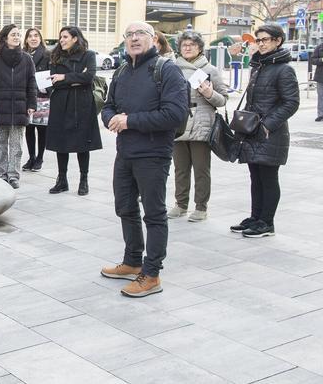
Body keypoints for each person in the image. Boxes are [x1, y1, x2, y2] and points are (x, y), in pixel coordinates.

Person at [100, 21, 188, 298]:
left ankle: (151, 274)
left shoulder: (167, 70)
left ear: (154, 39)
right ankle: (132, 260)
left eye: (141, 34)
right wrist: (111, 119)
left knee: (154, 214)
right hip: (125, 151)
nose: (134, 38)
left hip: (153, 153)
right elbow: (108, 105)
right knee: (125, 207)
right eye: (129, 34)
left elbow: (176, 116)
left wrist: (129, 121)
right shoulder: (123, 70)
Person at [230, 24, 299, 238]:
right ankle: (256, 217)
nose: (260, 43)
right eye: (257, 40)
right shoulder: (260, 65)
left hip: (271, 132)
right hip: (253, 130)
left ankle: (267, 222)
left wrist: (268, 124)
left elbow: (291, 102)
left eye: (265, 40)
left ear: (278, 41)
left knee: (268, 177)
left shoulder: (284, 69)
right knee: (255, 176)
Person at [167, 32, 229, 222]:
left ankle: (201, 207)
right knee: (180, 168)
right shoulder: (172, 68)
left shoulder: (210, 69)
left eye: (192, 45)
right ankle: (180, 204)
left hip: (202, 124)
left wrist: (210, 93)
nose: (187, 48)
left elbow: (223, 100)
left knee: (201, 169)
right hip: (178, 123)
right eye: (184, 45)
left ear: (200, 48)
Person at [45, 26, 102, 195]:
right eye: (60, 37)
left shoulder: (88, 55)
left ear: (75, 38)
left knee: (82, 144)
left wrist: (65, 77)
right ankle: (62, 180)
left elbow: (89, 77)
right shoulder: (55, 55)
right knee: (60, 143)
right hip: (61, 103)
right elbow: (53, 81)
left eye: (65, 37)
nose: (61, 40)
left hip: (82, 104)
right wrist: (75, 79)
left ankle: (83, 180)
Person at [0, 24, 37, 188]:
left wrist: (32, 104)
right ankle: (2, 174)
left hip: (20, 107)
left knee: (17, 145)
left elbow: (32, 83)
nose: (17, 37)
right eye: (13, 34)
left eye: (18, 34)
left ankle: (13, 176)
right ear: (5, 37)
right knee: (0, 144)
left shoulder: (27, 59)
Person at [23, 27, 49, 172]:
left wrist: (47, 87)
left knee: (41, 129)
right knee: (29, 128)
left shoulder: (47, 54)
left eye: (36, 36)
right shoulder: (23, 54)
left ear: (40, 38)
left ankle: (40, 158)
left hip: (42, 96)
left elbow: (51, 73)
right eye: (30, 36)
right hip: (26, 96)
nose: (33, 38)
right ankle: (31, 157)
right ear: (26, 39)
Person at [310, 42, 323, 122]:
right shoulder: (319, 47)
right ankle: (320, 115)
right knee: (321, 96)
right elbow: (312, 60)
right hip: (321, 77)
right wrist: (321, 59)